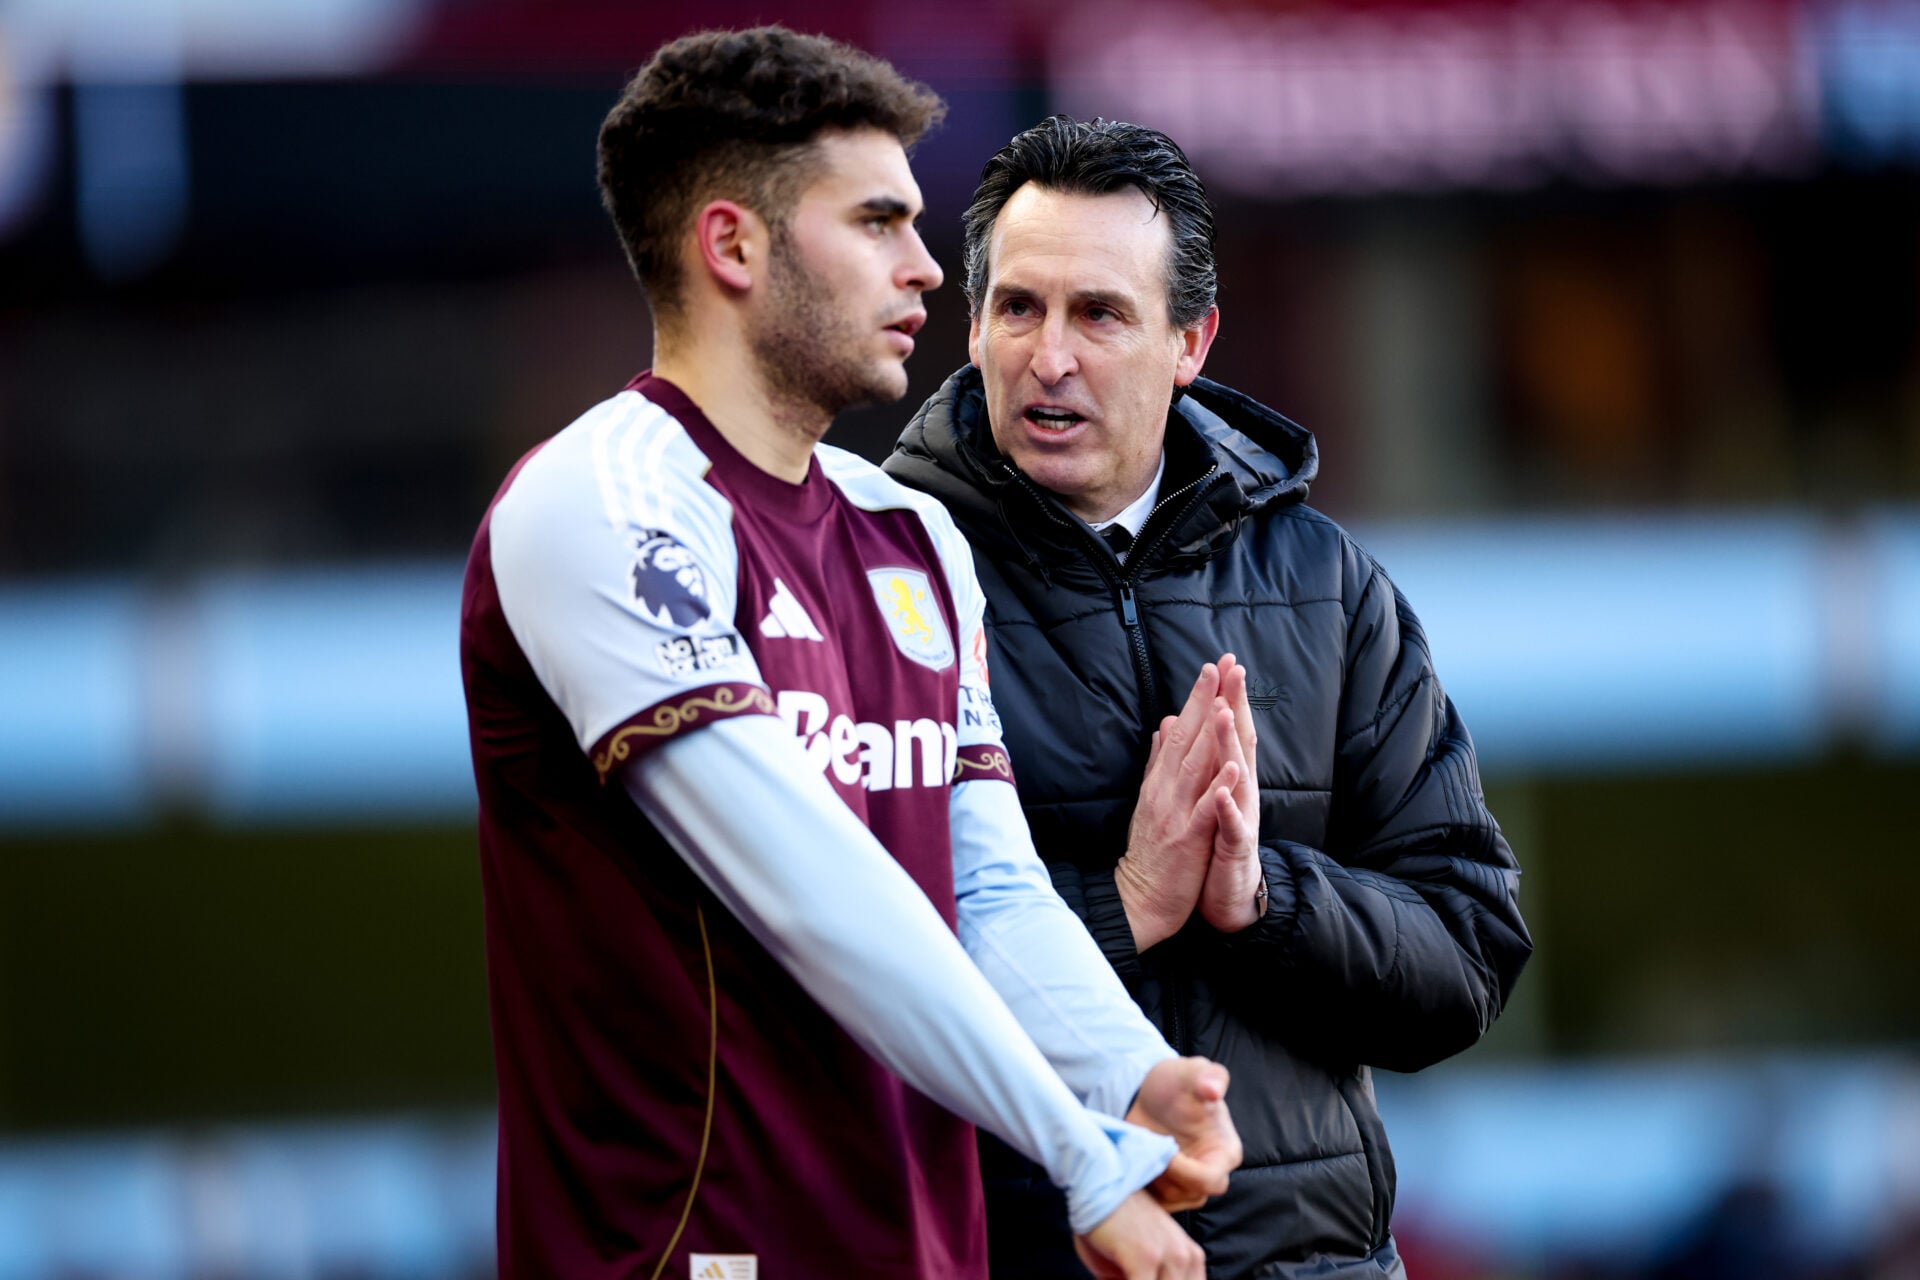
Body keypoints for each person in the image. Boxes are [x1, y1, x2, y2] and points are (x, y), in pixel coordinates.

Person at [459, 32, 1242, 1280]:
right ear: (733, 247)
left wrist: (1127, 1073)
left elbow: (981, 889)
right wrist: (1079, 1149)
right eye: (878, 222)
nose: (927, 267)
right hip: (692, 1252)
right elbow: (812, 885)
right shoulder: (602, 505)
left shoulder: (912, 535)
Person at [884, 116, 1534, 1280]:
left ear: (1190, 341)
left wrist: (1265, 898)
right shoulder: (879, 578)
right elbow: (853, 962)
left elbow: (1468, 956)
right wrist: (1125, 902)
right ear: (971, 326)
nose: (1050, 356)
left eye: (1100, 313)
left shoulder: (1330, 586)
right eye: (1019, 308)